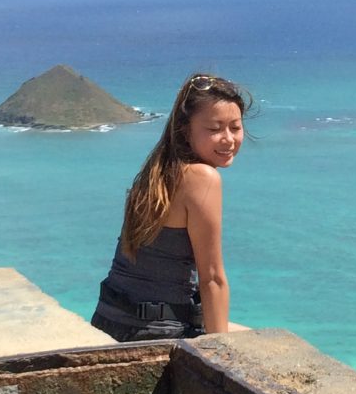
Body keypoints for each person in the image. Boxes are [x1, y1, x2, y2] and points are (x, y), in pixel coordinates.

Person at [91, 73, 252, 341]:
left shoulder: (156, 173)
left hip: (112, 320)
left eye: (234, 127)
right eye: (214, 129)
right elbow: (212, 279)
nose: (228, 139)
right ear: (185, 130)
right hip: (154, 332)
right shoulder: (203, 178)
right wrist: (220, 358)